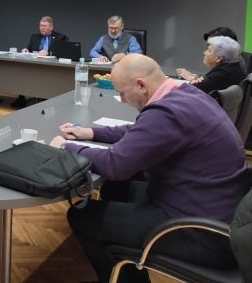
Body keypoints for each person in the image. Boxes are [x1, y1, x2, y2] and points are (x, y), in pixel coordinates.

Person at [50, 54, 249, 283]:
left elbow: (115, 165)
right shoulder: (186, 94)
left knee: (82, 215)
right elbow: (141, 131)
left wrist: (66, 147)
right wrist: (91, 133)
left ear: (141, 85)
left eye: (122, 93)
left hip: (200, 233)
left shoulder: (168, 112)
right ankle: (124, 267)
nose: (122, 100)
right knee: (115, 188)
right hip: (212, 210)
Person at [176, 36, 246, 93]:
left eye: (209, 50)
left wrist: (193, 80)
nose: (204, 53)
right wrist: (194, 78)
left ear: (218, 58)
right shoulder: (235, 65)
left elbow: (189, 89)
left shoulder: (221, 75)